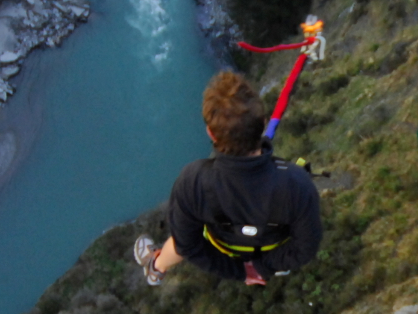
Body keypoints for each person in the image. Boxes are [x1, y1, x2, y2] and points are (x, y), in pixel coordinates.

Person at [133, 71, 322, 286]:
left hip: (223, 248)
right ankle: (156, 266)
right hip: (272, 249)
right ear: (263, 123)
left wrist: (240, 271)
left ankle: (156, 267)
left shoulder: (192, 183)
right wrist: (261, 267)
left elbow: (188, 246)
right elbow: (306, 247)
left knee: (179, 240)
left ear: (211, 134)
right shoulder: (297, 184)